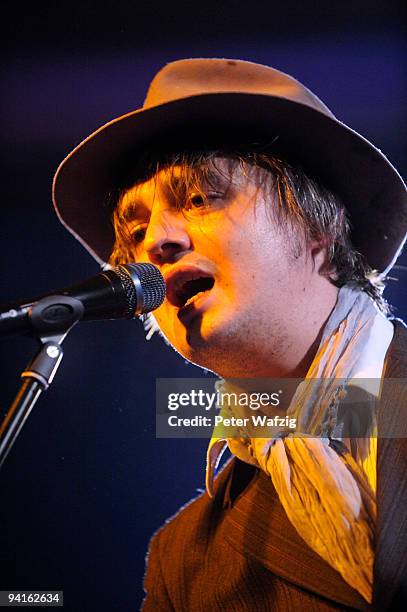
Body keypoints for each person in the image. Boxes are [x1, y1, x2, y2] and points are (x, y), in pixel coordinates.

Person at [52, 59, 407, 610]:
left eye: (199, 199)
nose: (156, 243)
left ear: (319, 228)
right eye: (137, 228)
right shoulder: (185, 561)